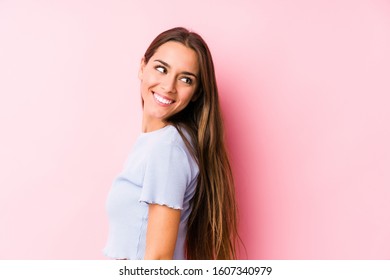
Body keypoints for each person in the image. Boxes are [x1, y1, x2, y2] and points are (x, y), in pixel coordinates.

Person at [103, 27, 239, 260]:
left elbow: (158, 260)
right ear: (142, 67)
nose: (168, 86)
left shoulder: (166, 148)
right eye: (161, 69)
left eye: (185, 79)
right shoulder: (157, 142)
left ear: (196, 92)